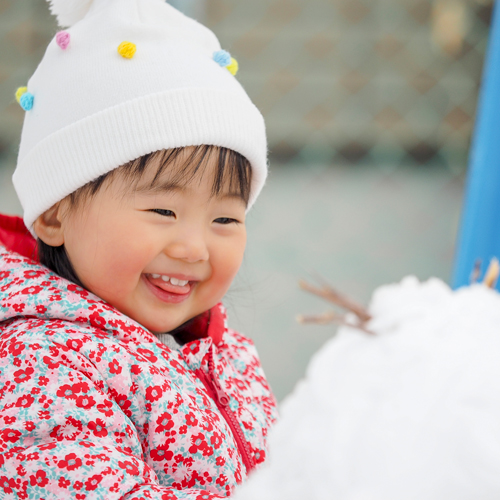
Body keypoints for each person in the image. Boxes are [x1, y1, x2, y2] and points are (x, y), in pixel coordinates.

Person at [0, 0, 278, 498]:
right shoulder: (41, 365)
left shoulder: (222, 353)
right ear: (55, 214)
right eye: (163, 212)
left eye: (225, 219)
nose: (194, 248)